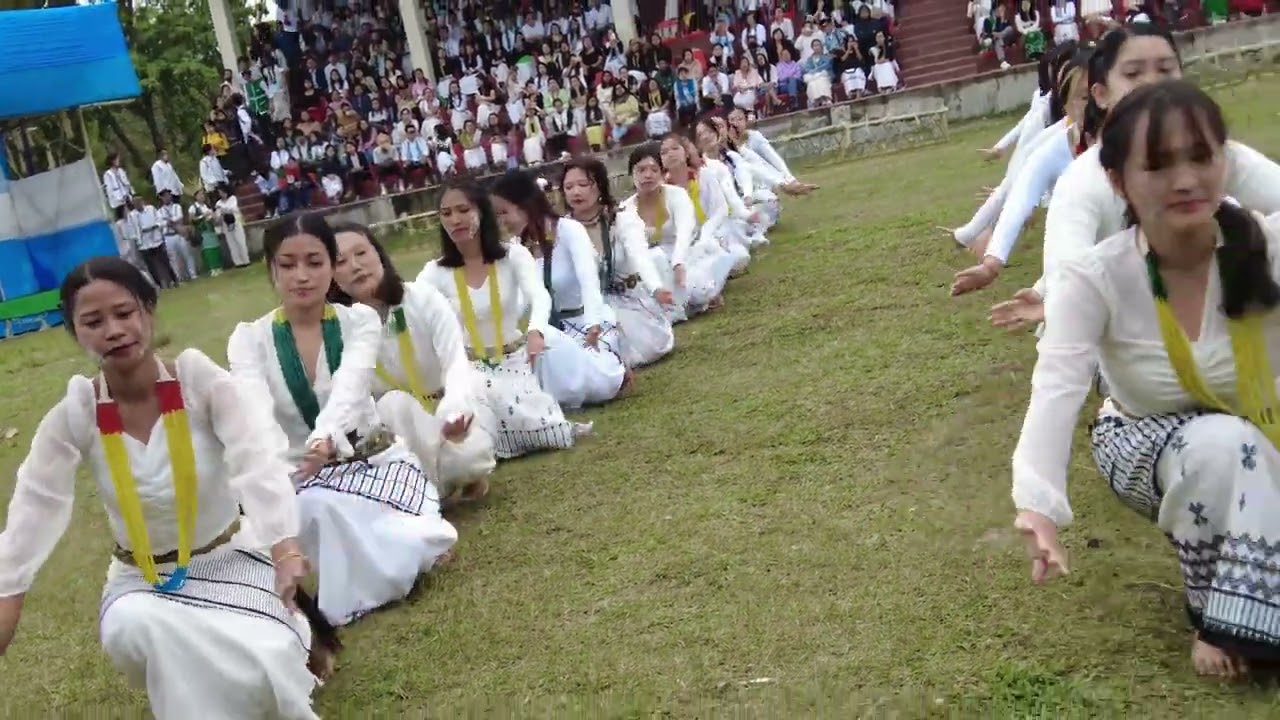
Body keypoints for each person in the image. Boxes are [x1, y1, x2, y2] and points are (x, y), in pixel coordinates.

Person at [1011, 79, 1280, 678]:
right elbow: (1056, 387)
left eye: (1201, 157)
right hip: (1150, 440)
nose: (1185, 180)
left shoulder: (1265, 244)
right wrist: (1039, 504)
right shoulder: (1096, 277)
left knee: (1248, 444)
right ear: (1118, 181)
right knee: (1225, 445)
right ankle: (1220, 611)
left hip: (1267, 429)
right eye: (1158, 165)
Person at [0, 257, 323, 718]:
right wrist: (7, 595)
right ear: (75, 333)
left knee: (266, 663)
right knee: (136, 625)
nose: (113, 330)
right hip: (142, 583)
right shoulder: (78, 410)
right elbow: (36, 502)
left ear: (148, 311)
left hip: (230, 559)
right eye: (93, 322)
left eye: (124, 313)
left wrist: (285, 547)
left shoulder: (198, 381)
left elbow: (254, 463)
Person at [227, 213, 457, 627]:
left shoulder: (359, 322)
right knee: (309, 507)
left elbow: (351, 386)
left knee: (356, 519)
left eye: (315, 262)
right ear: (270, 269)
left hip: (369, 465)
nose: (302, 276)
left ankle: (398, 545)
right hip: (296, 479)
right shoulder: (249, 339)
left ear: (332, 268)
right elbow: (254, 412)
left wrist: (325, 438)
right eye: (288, 264)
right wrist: (284, 468)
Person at [415, 179, 592, 457]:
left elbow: (539, 296)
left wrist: (535, 331)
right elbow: (410, 307)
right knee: (473, 429)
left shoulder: (512, 255)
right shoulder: (435, 272)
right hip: (469, 371)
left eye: (463, 210)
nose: (455, 219)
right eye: (446, 213)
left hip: (515, 362)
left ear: (481, 212)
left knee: (553, 433)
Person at [328, 222, 498, 502]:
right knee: (394, 405)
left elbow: (455, 359)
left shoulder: (421, 297)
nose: (356, 266)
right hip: (392, 432)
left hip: (447, 414)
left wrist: (452, 411)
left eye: (361, 253)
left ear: (378, 253)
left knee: (472, 457)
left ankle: (423, 493)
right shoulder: (336, 329)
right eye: (341, 261)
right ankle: (428, 494)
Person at [490, 169, 629, 409]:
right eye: (496, 215)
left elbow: (589, 281)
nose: (501, 221)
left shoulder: (568, 230)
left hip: (588, 330)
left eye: (504, 212)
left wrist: (593, 324)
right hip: (552, 335)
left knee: (547, 339)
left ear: (525, 205)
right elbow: (521, 302)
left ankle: (609, 374)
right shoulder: (517, 248)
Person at [560, 157, 676, 369]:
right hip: (587, 309)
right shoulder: (562, 230)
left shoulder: (621, 218)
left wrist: (656, 287)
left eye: (583, 185)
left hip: (629, 299)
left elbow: (639, 254)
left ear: (600, 186)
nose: (576, 192)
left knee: (642, 347)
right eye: (569, 187)